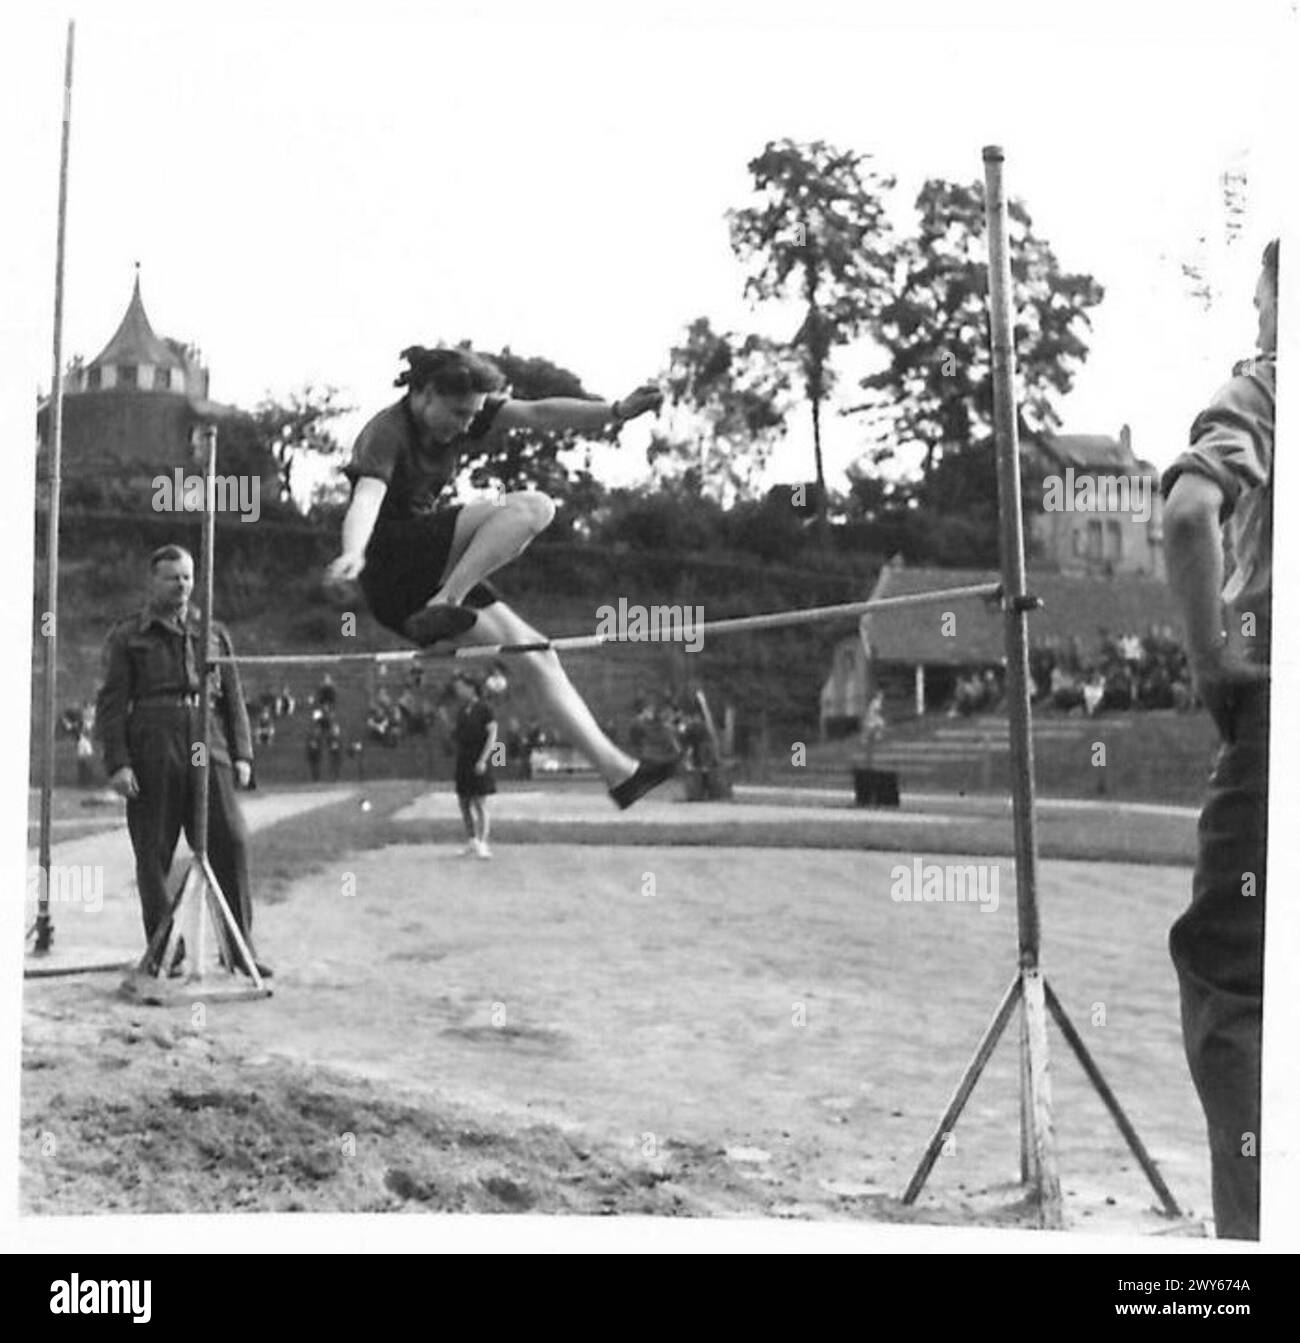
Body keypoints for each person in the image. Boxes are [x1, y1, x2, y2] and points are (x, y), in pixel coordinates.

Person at [324, 345, 675, 810]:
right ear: (424, 394)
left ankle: (619, 774)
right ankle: (446, 602)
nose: (467, 426)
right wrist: (353, 551)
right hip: (394, 566)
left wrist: (614, 412)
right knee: (532, 507)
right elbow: (366, 498)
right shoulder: (384, 433)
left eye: (473, 415)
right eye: (458, 414)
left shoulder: (463, 409)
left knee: (537, 654)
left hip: (433, 571)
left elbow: (539, 413)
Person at [1161, 238, 1276, 1240]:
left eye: (1261, 298)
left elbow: (1189, 514)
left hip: (1276, 724)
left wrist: (1209, 663)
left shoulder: (1265, 389)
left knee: (1231, 983)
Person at [95, 544, 270, 978]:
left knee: (231, 840)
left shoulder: (213, 631)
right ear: (152, 581)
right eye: (173, 577)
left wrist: (243, 753)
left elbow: (233, 698)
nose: (183, 585)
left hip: (206, 740)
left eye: (188, 577)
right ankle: (165, 950)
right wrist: (118, 762)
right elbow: (112, 703)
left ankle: (238, 950)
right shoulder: (128, 635)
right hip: (155, 742)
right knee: (153, 850)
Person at [450, 673, 498, 859]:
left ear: (471, 687)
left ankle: (483, 842)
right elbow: (458, 736)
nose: (458, 690)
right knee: (463, 802)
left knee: (480, 803)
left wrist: (484, 760)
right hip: (464, 760)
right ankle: (471, 841)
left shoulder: (485, 709)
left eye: (461, 686)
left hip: (479, 760)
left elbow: (493, 736)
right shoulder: (462, 710)